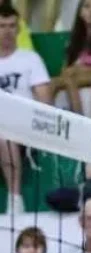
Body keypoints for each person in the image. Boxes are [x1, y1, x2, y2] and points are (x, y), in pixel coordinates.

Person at [0, 4, 50, 215]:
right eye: (2, 26)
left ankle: (15, 199)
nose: (8, 31)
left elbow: (45, 101)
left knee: (4, 133)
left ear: (19, 29)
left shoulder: (30, 59)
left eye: (12, 26)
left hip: (23, 125)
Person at [48, 0, 91, 114]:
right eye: (87, 7)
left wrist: (82, 69)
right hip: (75, 75)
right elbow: (65, 68)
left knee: (70, 81)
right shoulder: (75, 38)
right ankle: (46, 116)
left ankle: (79, 119)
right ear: (80, 12)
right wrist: (73, 70)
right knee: (52, 82)